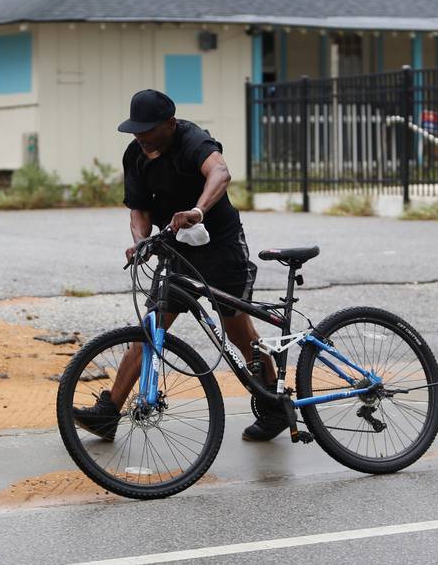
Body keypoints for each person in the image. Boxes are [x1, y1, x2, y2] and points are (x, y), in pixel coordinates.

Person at [73, 89, 286, 442]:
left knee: (237, 331)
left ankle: (274, 406)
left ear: (170, 124)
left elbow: (219, 172)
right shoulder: (136, 154)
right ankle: (109, 412)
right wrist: (141, 243)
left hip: (220, 245)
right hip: (176, 250)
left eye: (148, 130)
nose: (140, 137)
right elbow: (138, 209)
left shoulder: (192, 139)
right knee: (151, 326)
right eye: (136, 130)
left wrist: (197, 211)